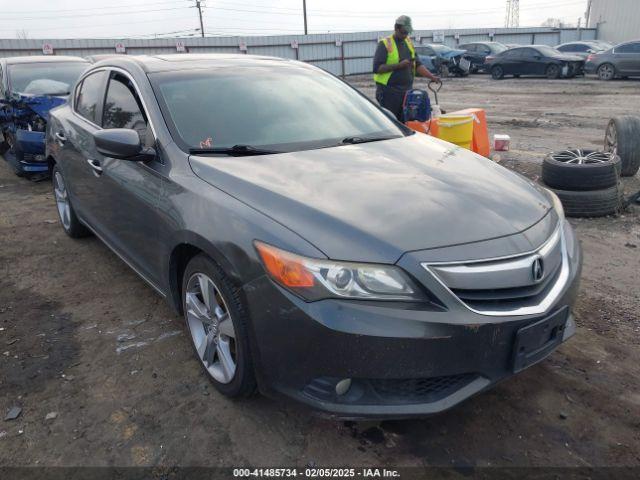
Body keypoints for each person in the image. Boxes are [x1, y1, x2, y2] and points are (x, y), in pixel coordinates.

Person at [373, 15, 441, 121]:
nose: (405, 35)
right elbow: (377, 68)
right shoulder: (385, 44)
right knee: (392, 123)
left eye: (407, 33)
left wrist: (431, 77)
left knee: (406, 123)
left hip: (406, 91)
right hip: (389, 93)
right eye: (403, 32)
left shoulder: (408, 43)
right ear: (396, 28)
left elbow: (417, 64)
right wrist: (399, 65)